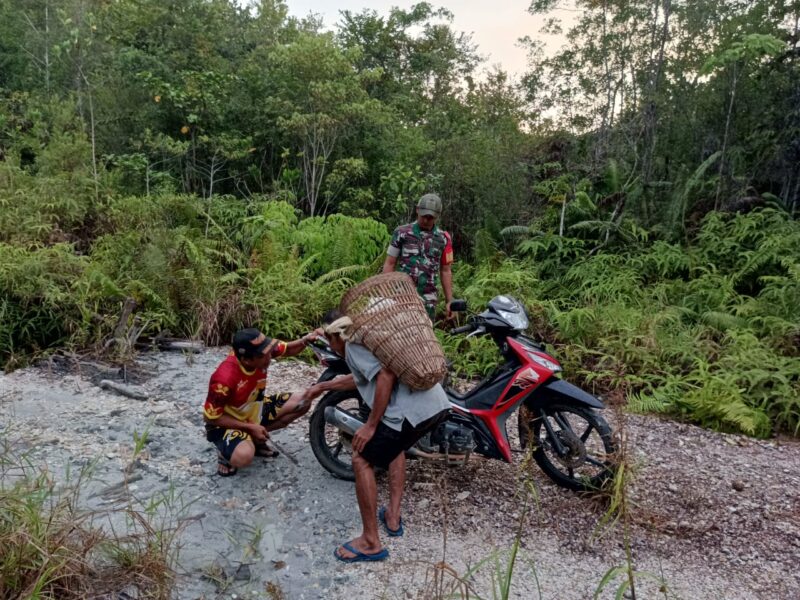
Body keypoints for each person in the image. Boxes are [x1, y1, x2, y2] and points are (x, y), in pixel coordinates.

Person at [305, 310, 450, 562]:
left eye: (329, 341)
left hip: (410, 412)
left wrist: (371, 425)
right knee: (394, 449)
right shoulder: (368, 340)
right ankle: (392, 517)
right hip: (434, 404)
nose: (331, 346)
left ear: (334, 336)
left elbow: (386, 375)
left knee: (361, 458)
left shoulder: (352, 347)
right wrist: (323, 387)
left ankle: (371, 542)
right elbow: (362, 378)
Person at [203, 327, 321, 477]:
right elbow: (210, 417)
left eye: (270, 352)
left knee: (303, 402)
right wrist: (250, 427)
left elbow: (289, 349)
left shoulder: (262, 352)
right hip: (226, 424)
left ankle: (253, 439)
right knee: (244, 456)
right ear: (246, 360)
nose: (270, 357)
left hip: (253, 410)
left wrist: (306, 340)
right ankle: (226, 454)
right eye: (264, 356)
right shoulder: (224, 378)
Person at [382, 193, 454, 320]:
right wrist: (385, 294)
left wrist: (450, 301)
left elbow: (445, 270)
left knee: (424, 336)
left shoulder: (443, 238)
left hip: (428, 300)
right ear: (417, 210)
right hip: (402, 296)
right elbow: (390, 263)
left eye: (430, 217)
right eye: (423, 216)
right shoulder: (401, 233)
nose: (426, 220)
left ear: (437, 216)